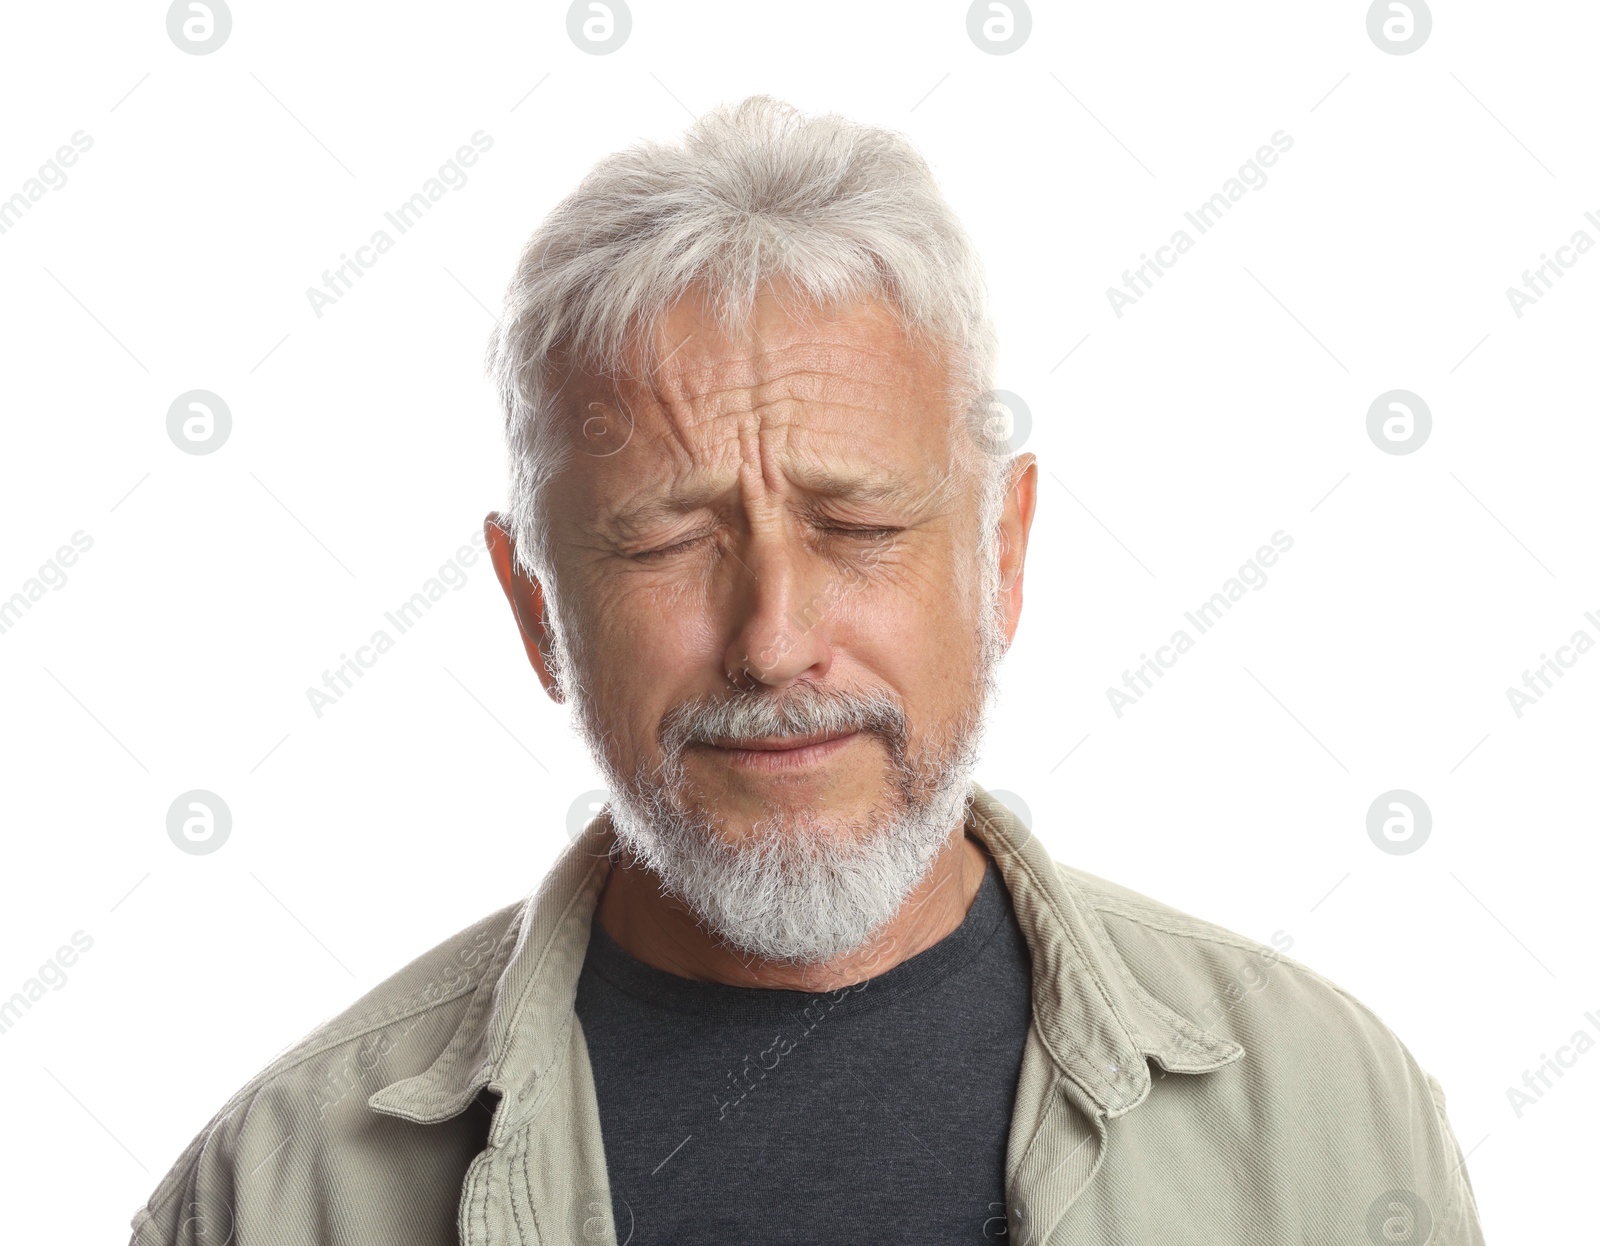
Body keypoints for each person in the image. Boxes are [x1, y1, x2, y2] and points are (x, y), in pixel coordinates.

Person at [132, 95, 1485, 1245]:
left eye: (862, 528)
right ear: (535, 606)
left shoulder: (1337, 1122)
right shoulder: (272, 1194)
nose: (774, 639)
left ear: (1000, 557)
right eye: (667, 539)